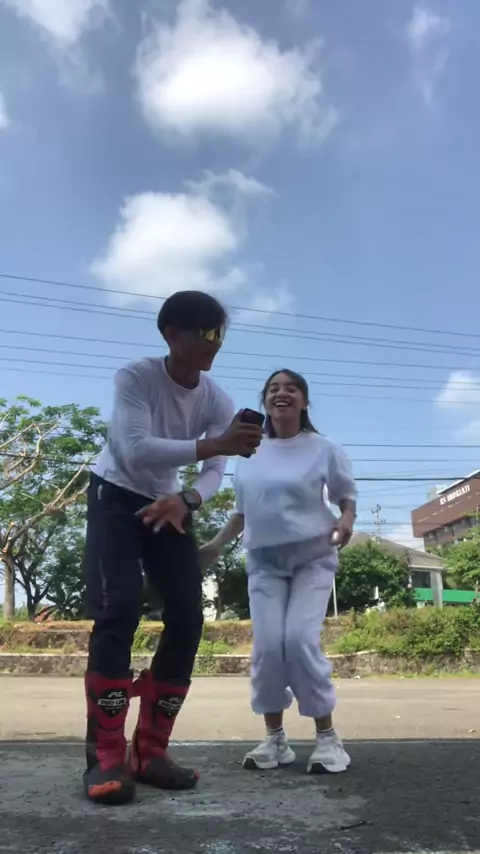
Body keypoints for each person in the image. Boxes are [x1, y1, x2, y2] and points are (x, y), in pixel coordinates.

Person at [83, 290, 263, 806]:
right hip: (115, 494)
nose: (214, 343)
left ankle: (151, 752)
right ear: (170, 334)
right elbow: (135, 448)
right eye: (205, 333)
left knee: (187, 616)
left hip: (169, 503)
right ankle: (105, 757)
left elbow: (215, 470)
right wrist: (217, 443)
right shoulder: (136, 377)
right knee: (117, 611)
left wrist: (188, 499)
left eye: (220, 334)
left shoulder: (215, 399)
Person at [200, 369, 357, 775]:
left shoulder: (323, 448)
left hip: (312, 559)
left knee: (299, 640)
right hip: (264, 564)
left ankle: (328, 739)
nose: (281, 394)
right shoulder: (249, 455)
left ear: (304, 402)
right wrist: (215, 546)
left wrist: (346, 522)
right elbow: (242, 513)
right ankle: (275, 739)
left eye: (290, 389)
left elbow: (346, 497)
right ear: (265, 401)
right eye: (273, 389)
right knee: (268, 647)